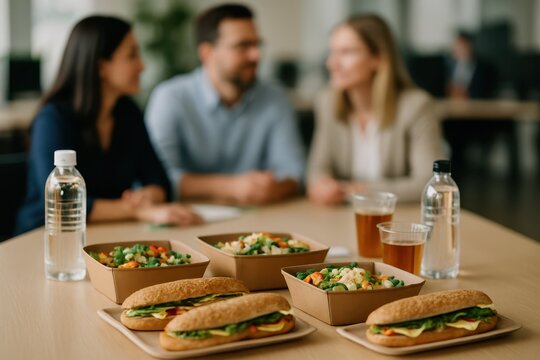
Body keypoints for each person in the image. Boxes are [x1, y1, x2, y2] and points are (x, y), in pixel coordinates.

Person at [16, 16, 202, 234]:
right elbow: (62, 199)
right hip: (48, 238)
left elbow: (160, 180)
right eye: (131, 55)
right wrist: (136, 211)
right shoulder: (53, 118)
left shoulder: (127, 112)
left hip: (108, 233)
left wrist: (148, 196)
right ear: (101, 67)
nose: (142, 66)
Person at [145, 4, 305, 205]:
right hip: (185, 222)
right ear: (207, 52)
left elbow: (294, 171)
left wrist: (274, 187)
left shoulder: (275, 97)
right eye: (243, 46)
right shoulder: (170, 98)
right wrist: (231, 187)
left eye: (257, 45)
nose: (256, 55)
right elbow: (159, 179)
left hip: (261, 221)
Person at [307, 14, 443, 205]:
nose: (332, 63)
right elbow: (318, 170)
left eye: (346, 52)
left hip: (398, 221)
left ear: (377, 58)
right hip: (343, 217)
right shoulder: (326, 102)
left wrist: (359, 190)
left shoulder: (416, 106)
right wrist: (322, 186)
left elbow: (430, 184)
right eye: (332, 52)